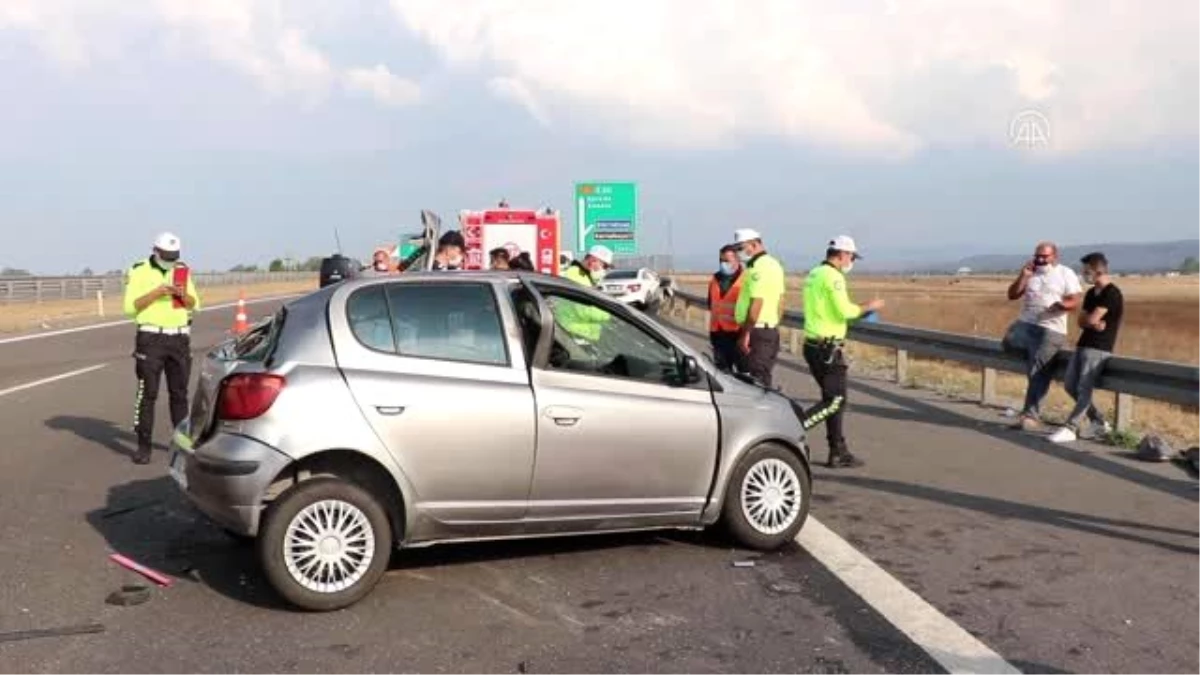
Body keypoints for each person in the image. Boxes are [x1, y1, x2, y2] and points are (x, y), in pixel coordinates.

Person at [798, 235, 884, 468]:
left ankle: (838, 450)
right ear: (842, 255)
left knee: (831, 399)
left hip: (813, 344)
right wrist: (869, 307)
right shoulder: (833, 277)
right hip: (827, 348)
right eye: (852, 257)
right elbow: (844, 310)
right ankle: (794, 428)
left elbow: (828, 310)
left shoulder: (814, 274)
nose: (851, 262)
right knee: (836, 401)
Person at [122, 232, 201, 465]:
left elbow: (194, 304)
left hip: (179, 340)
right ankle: (143, 445)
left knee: (179, 395)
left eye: (174, 256)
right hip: (150, 339)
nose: (171, 260)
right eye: (167, 256)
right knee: (148, 394)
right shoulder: (138, 270)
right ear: (155, 251)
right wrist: (157, 292)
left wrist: (181, 294)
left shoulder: (182, 270)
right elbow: (130, 307)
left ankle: (183, 445)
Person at [1002, 241, 1083, 431]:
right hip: (1026, 325)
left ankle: (1030, 416)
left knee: (1037, 371)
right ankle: (1038, 364)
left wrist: (1062, 306)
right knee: (1008, 343)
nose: (1040, 259)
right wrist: (1023, 276)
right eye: (1037, 256)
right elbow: (1012, 294)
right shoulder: (1030, 272)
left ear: (1054, 256)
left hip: (1050, 329)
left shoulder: (1065, 273)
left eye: (1044, 256)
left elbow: (1075, 300)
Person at [1047, 252, 1122, 443]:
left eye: (1086, 271)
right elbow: (1083, 321)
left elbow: (1092, 318)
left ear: (1098, 271)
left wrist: (1091, 321)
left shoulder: (1111, 293)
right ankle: (1098, 421)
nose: (1084, 275)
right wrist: (1091, 322)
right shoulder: (1091, 293)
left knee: (1084, 387)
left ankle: (1071, 427)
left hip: (1099, 347)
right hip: (1083, 343)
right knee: (1070, 385)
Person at [732, 228, 786, 388]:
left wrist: (746, 334)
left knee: (755, 382)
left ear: (754, 244)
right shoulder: (775, 264)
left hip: (757, 331)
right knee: (762, 376)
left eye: (741, 248)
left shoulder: (758, 268)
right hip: (768, 331)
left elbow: (757, 303)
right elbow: (781, 301)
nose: (738, 253)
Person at [556, 244, 614, 343]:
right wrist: (610, 313)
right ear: (593, 261)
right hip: (575, 336)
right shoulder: (576, 276)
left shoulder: (584, 276)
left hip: (581, 334)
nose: (604, 270)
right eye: (604, 266)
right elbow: (584, 309)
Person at [707, 244, 744, 372]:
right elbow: (711, 304)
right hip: (718, 334)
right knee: (722, 374)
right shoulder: (715, 279)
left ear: (737, 260)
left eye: (726, 261)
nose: (723, 264)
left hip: (738, 334)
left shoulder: (746, 280)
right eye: (721, 261)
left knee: (743, 374)